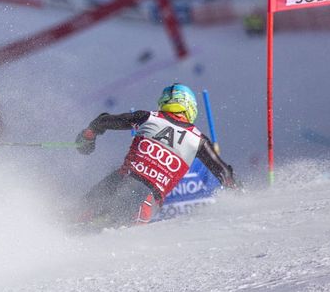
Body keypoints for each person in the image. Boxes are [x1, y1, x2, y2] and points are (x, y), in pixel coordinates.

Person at [73, 84, 238, 229]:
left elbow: (103, 121)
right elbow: (224, 173)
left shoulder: (148, 117)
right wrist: (243, 197)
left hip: (119, 183)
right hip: (146, 202)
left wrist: (88, 136)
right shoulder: (198, 141)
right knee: (110, 234)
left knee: (75, 218)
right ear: (190, 107)